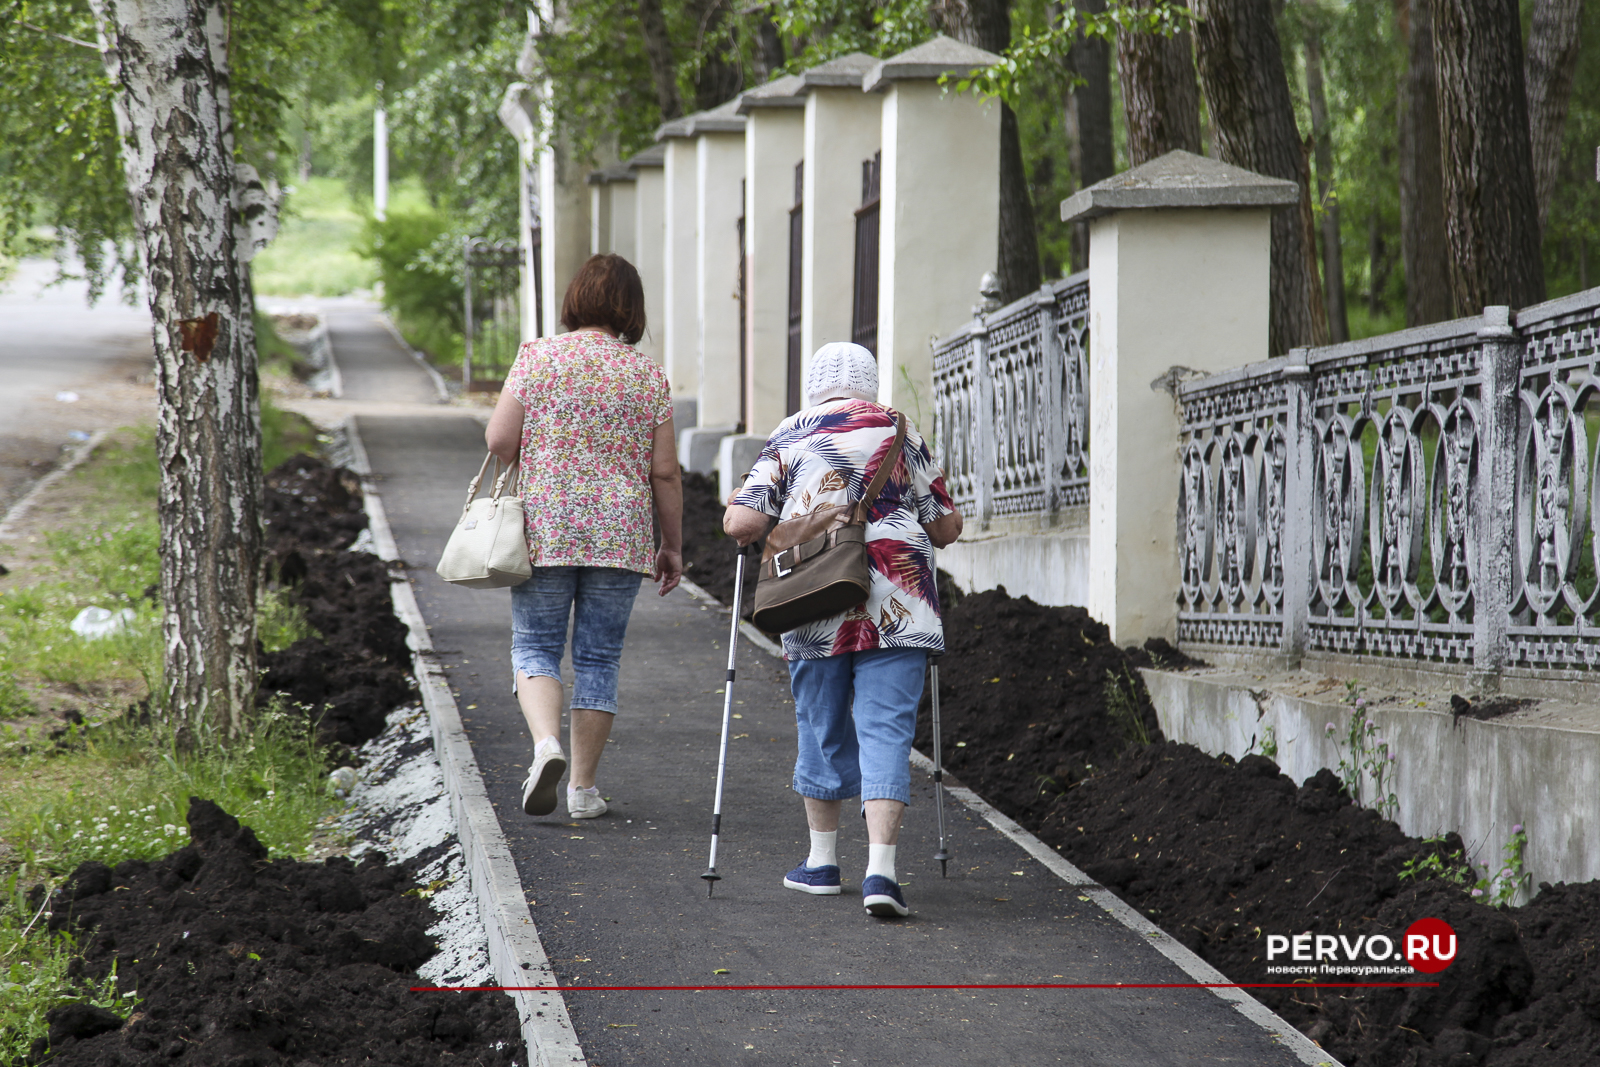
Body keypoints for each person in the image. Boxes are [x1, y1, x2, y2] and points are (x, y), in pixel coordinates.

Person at [722, 342, 963, 917]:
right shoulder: (903, 433)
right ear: (870, 384)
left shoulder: (792, 432)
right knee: (886, 732)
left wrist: (746, 503)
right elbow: (946, 527)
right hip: (898, 605)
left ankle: (823, 863)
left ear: (814, 385)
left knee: (820, 723)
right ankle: (882, 874)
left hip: (814, 598)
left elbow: (744, 524)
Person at [485, 253, 683, 820]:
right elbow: (664, 471)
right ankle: (583, 790)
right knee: (598, 659)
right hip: (620, 534)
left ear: (576, 299)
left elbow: (500, 441)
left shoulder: (538, 356)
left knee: (535, 646)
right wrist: (671, 546)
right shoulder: (646, 373)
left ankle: (545, 746)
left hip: (546, 527)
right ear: (631, 307)